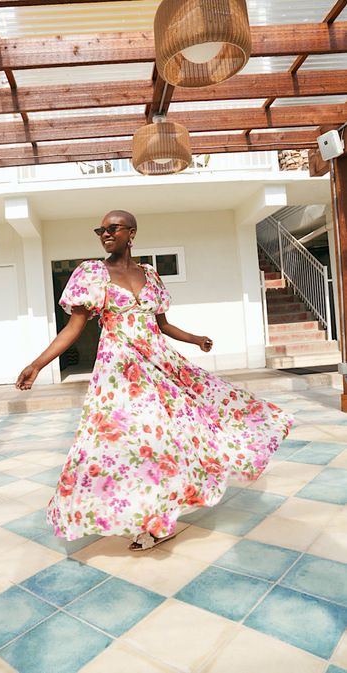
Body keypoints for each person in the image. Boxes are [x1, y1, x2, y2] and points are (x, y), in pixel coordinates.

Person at [16, 210, 293, 551]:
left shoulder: (150, 275)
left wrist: (195, 338)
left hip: (159, 367)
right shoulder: (91, 274)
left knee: (168, 441)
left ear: (130, 233)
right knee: (121, 444)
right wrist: (37, 364)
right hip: (118, 376)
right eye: (100, 230)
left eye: (112, 228)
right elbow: (73, 328)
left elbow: (162, 325)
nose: (104, 234)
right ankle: (139, 516)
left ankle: (160, 517)